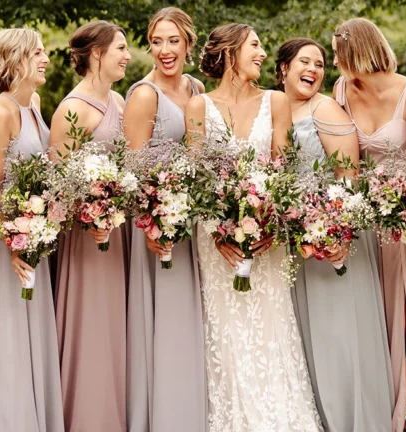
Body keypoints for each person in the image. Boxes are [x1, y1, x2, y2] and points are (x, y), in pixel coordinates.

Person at [184, 23, 322, 431]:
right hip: (218, 241)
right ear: (229, 52)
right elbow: (198, 177)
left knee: (273, 331)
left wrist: (273, 222)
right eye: (255, 46)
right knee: (226, 336)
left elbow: (282, 169)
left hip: (266, 237)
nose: (262, 54)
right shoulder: (198, 107)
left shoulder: (276, 101)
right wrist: (218, 231)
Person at [331, 17, 406, 431]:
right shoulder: (342, 91)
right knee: (381, 314)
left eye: (338, 54)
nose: (334, 63)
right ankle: (402, 399)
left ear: (357, 52)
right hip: (367, 221)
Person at [278, 37, 393, 432]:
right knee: (307, 335)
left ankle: (355, 419)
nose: (313, 69)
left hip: (333, 235)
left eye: (320, 64)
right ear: (283, 69)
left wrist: (335, 229)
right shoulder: (271, 109)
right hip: (292, 240)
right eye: (304, 62)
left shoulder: (324, 108)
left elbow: (349, 176)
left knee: (341, 334)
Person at [0, 27, 64, 432]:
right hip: (6, 239)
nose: (45, 59)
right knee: (10, 331)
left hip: (34, 235)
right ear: (17, 60)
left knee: (33, 329)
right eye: (37, 53)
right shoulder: (0, 112)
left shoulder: (34, 104)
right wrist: (13, 242)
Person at [122, 8, 207, 432]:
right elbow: (133, 170)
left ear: (188, 43)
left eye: (173, 40)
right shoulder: (143, 95)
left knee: (193, 318)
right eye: (157, 41)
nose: (164, 50)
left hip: (193, 223)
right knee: (165, 321)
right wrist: (153, 223)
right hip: (157, 227)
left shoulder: (196, 88)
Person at [47, 20, 131, 432]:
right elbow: (57, 182)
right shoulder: (72, 108)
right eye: (120, 48)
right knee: (92, 324)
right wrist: (93, 213)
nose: (127, 55)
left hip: (119, 233)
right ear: (96, 53)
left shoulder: (117, 100)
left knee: (117, 327)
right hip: (86, 237)